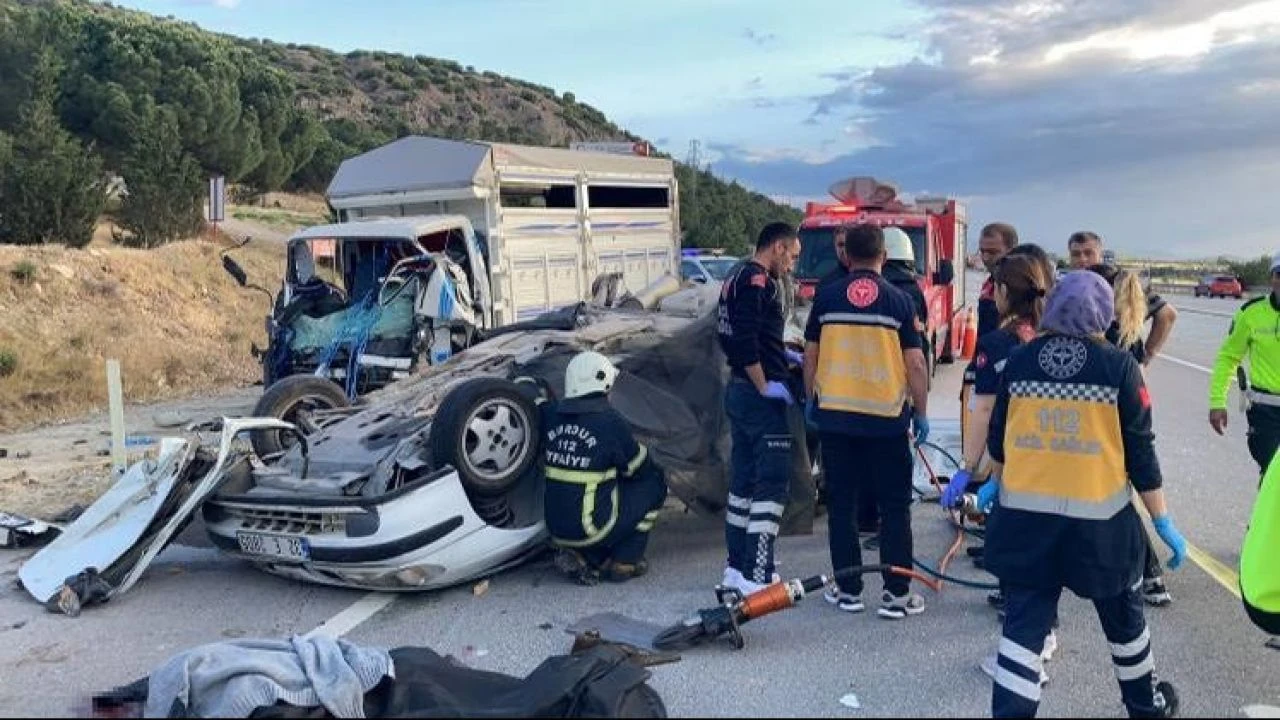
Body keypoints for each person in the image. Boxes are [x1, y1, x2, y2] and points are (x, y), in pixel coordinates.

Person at [981, 270, 1185, 718]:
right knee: (1125, 627)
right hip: (1102, 532)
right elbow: (1141, 455)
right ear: (1104, 314)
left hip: (1026, 525)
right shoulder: (1119, 367)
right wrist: (1162, 521)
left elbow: (1000, 441)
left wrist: (994, 484)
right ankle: (1145, 707)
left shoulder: (1019, 361)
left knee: (1022, 636)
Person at [802, 223, 931, 619]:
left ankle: (849, 591)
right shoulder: (899, 301)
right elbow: (915, 362)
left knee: (842, 505)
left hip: (837, 419)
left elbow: (810, 354)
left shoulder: (825, 298)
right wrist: (921, 412)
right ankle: (896, 594)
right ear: (884, 257)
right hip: (886, 420)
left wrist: (812, 400)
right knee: (894, 508)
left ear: (845, 256)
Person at [717, 221, 803, 593]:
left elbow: (736, 333)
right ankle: (756, 574)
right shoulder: (757, 282)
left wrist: (780, 352)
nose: (792, 265)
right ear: (779, 247)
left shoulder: (735, 277)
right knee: (770, 486)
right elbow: (745, 340)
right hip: (756, 398)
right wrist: (764, 383)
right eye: (793, 256)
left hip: (739, 392)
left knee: (743, 484)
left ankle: (737, 566)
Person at [1090, 263, 1175, 607]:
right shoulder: (1127, 330)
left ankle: (1150, 573)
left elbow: (1168, 314)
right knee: (1118, 495)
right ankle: (1148, 573)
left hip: (1111, 422)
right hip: (1125, 416)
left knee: (1119, 500)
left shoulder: (1106, 333)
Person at [545, 351, 669, 585]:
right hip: (591, 527)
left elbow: (532, 394)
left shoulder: (551, 414)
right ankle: (626, 559)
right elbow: (639, 469)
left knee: (598, 488)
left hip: (555, 528)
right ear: (604, 383)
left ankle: (592, 557)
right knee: (655, 485)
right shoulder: (609, 421)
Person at [1209, 252, 1280, 477]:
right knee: (1271, 478)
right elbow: (1228, 357)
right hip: (1266, 413)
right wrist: (1217, 401)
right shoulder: (1251, 313)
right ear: (1272, 277)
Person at [1067, 231, 1177, 366]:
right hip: (1084, 368)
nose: (1082, 259)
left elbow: (1167, 314)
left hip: (1120, 367)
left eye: (1088, 253)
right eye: (1076, 254)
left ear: (1100, 255)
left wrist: (1148, 354)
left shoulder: (1122, 283)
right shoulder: (1067, 287)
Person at [977, 223, 1020, 338]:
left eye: (992, 252)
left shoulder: (1022, 288)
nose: (985, 258)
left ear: (1012, 252)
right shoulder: (989, 284)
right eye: (982, 251)